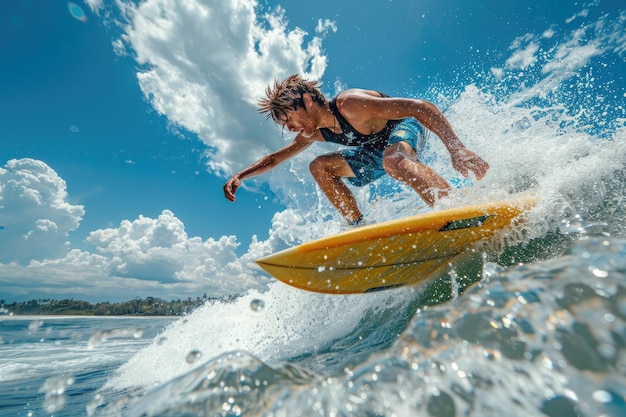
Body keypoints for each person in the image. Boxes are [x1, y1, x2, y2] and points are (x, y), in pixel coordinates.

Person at [224, 74, 489, 225]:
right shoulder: (315, 133)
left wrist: (457, 149)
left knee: (394, 161)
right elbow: (275, 158)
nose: (289, 128)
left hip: (404, 128)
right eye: (284, 125)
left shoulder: (350, 104)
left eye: (288, 119)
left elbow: (421, 108)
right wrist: (241, 176)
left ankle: (456, 209)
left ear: (306, 100)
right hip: (374, 149)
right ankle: (358, 225)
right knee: (319, 166)